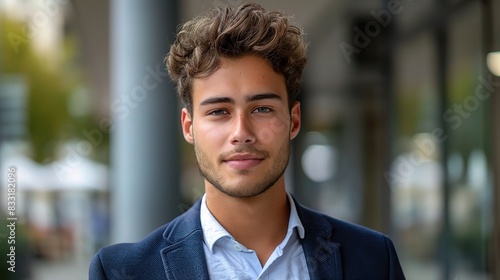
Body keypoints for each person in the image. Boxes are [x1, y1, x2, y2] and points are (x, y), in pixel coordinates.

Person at [89, 3, 405, 279]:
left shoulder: (374, 259)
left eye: (263, 108)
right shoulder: (121, 272)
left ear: (294, 120)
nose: (241, 131)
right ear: (188, 126)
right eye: (219, 111)